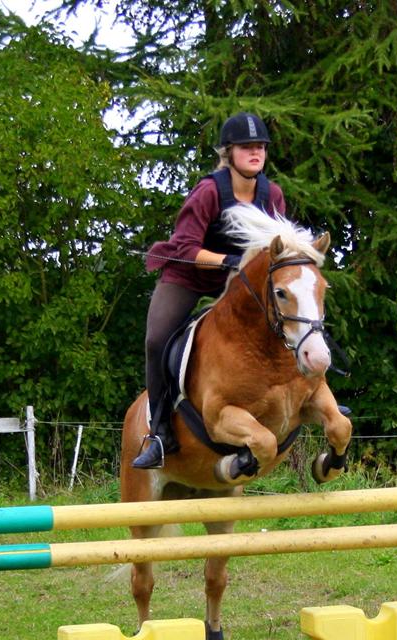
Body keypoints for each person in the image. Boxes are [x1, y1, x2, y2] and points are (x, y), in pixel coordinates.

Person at [131, 112, 287, 469]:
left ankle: (307, 395)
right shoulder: (208, 192)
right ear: (228, 153)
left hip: (243, 284)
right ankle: (158, 433)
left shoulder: (272, 195)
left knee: (292, 315)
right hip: (189, 278)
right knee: (156, 340)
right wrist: (232, 261)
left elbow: (277, 250)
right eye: (246, 147)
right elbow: (185, 249)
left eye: (260, 147)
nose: (255, 153)